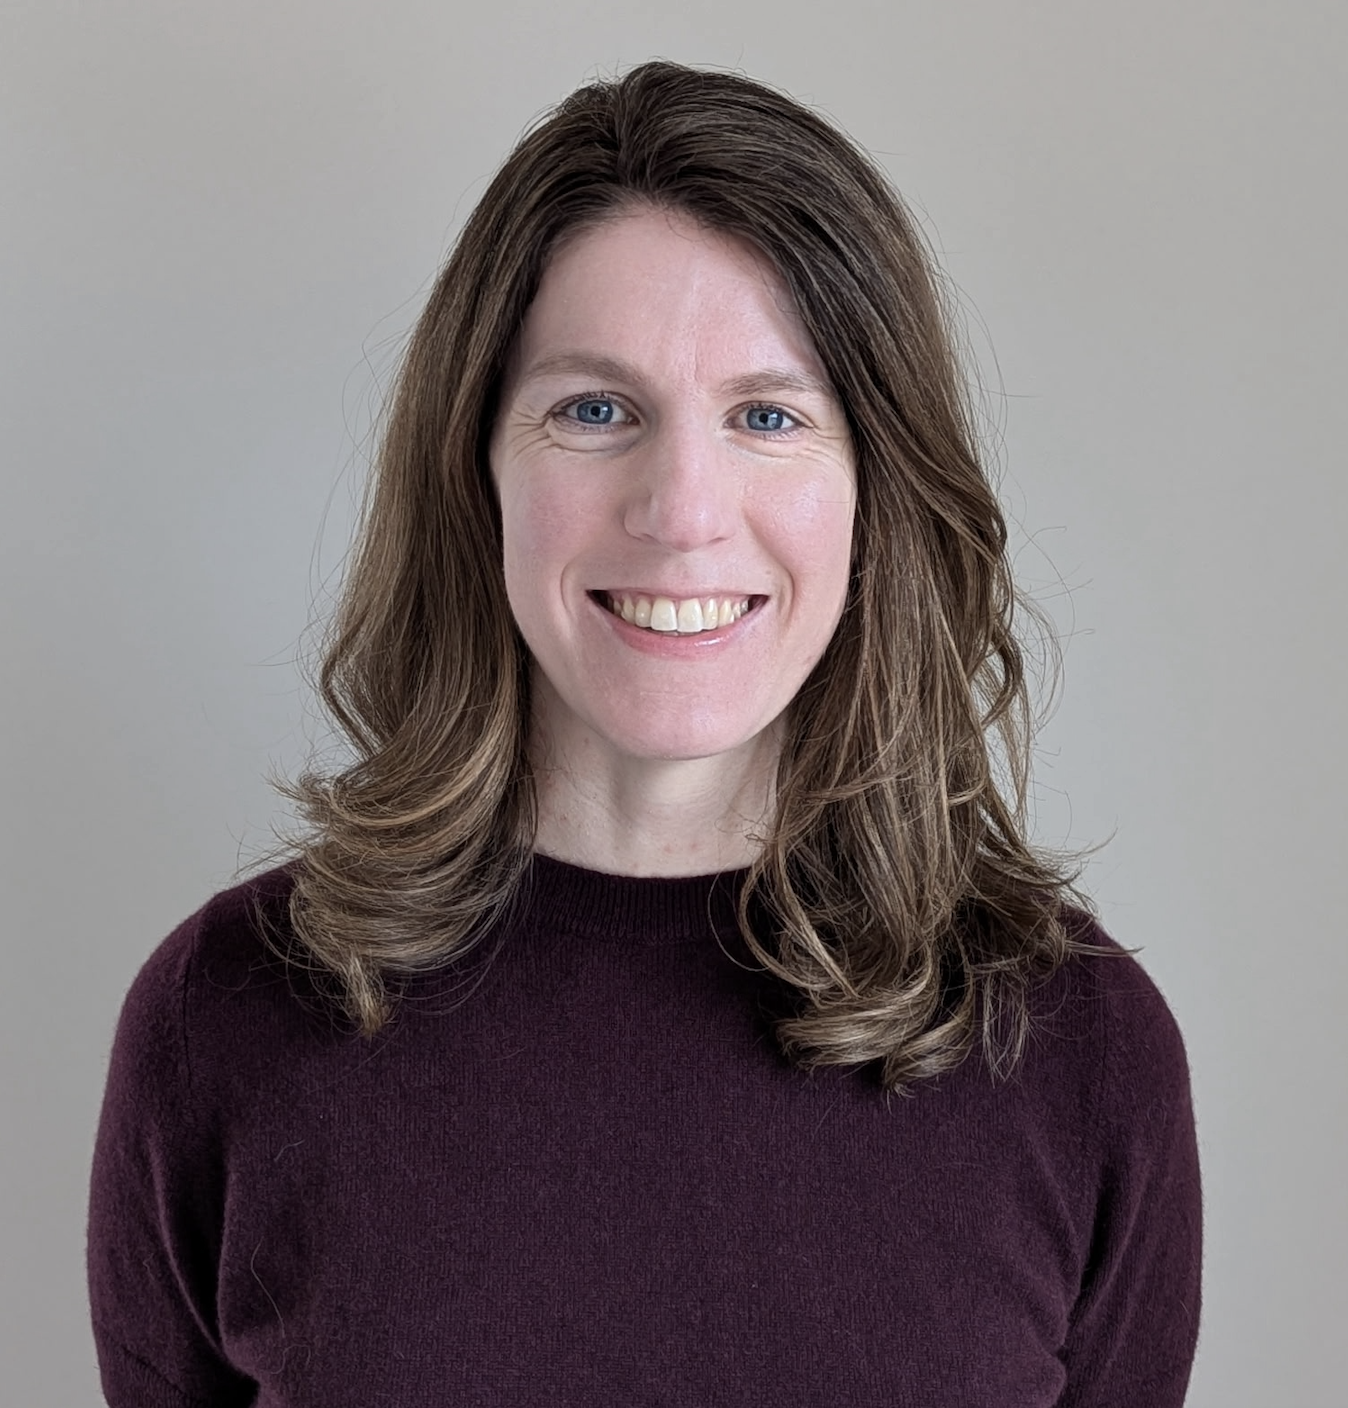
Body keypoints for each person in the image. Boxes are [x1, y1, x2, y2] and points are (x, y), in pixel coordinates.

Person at [88, 61, 1202, 1407]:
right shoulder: (225, 1019)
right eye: (595, 410)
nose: (682, 509)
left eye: (769, 416)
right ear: (478, 469)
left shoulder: (1078, 1050)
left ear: (876, 494)